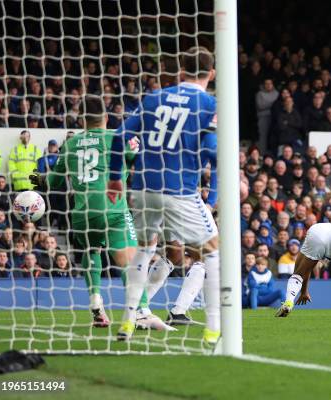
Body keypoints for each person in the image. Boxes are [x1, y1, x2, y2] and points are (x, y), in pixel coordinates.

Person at [107, 46, 220, 345]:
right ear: (212, 74)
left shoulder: (154, 97)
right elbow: (211, 150)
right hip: (179, 189)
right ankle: (214, 327)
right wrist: (220, 185)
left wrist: (115, 178)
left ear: (180, 70)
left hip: (143, 188)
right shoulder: (208, 104)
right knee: (212, 249)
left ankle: (129, 320)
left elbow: (119, 136)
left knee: (145, 248)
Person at [31, 96, 155, 329]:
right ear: (106, 118)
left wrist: (34, 181)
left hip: (82, 213)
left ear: (82, 121)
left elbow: (54, 184)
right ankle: (141, 311)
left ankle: (95, 300)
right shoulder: (117, 137)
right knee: (130, 260)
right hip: (113, 209)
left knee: (92, 251)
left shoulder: (69, 145)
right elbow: (139, 159)